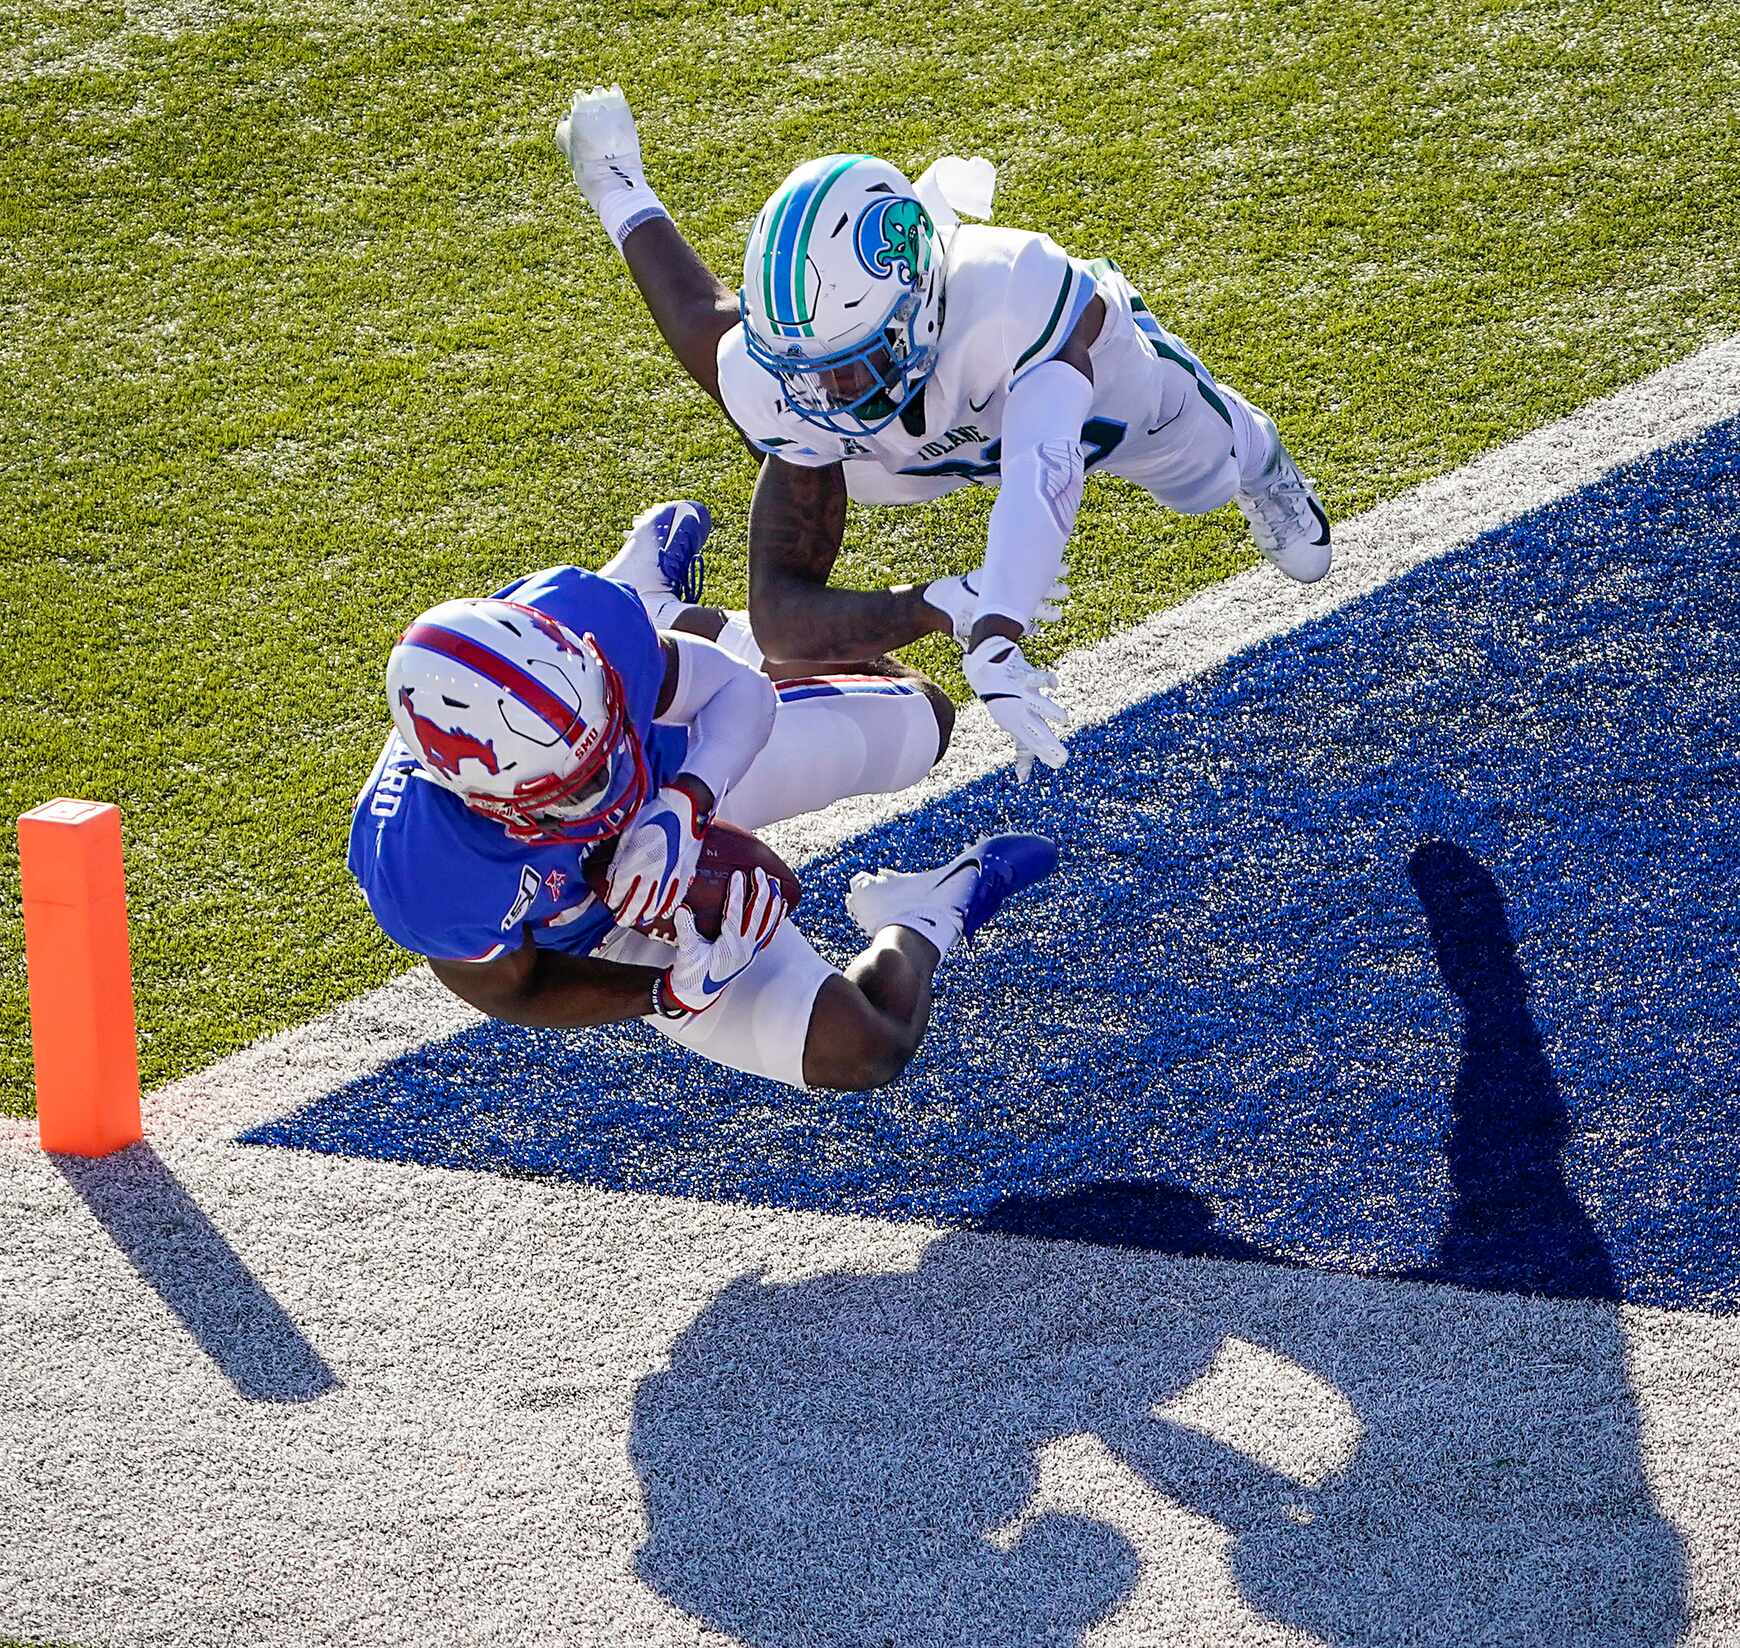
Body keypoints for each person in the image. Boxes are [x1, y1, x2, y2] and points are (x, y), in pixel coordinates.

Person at [554, 87, 1333, 779]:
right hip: (910, 458)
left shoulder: (1011, 294)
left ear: (922, 303)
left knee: (1207, 477)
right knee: (768, 416)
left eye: (850, 365)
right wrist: (944, 603)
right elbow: (779, 617)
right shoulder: (794, 381)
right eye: (810, 369)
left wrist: (998, 632)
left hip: (1106, 415)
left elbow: (1044, 470)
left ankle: (1261, 458)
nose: (826, 393)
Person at [349, 502, 1058, 1091]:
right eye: (571, 789)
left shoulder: (580, 618)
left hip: (675, 770)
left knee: (921, 718)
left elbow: (733, 692)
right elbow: (515, 987)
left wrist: (687, 800)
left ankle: (664, 613)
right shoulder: (423, 869)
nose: (604, 790)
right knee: (865, 1051)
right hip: (600, 920)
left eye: (599, 746)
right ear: (479, 798)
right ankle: (925, 914)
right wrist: (662, 992)